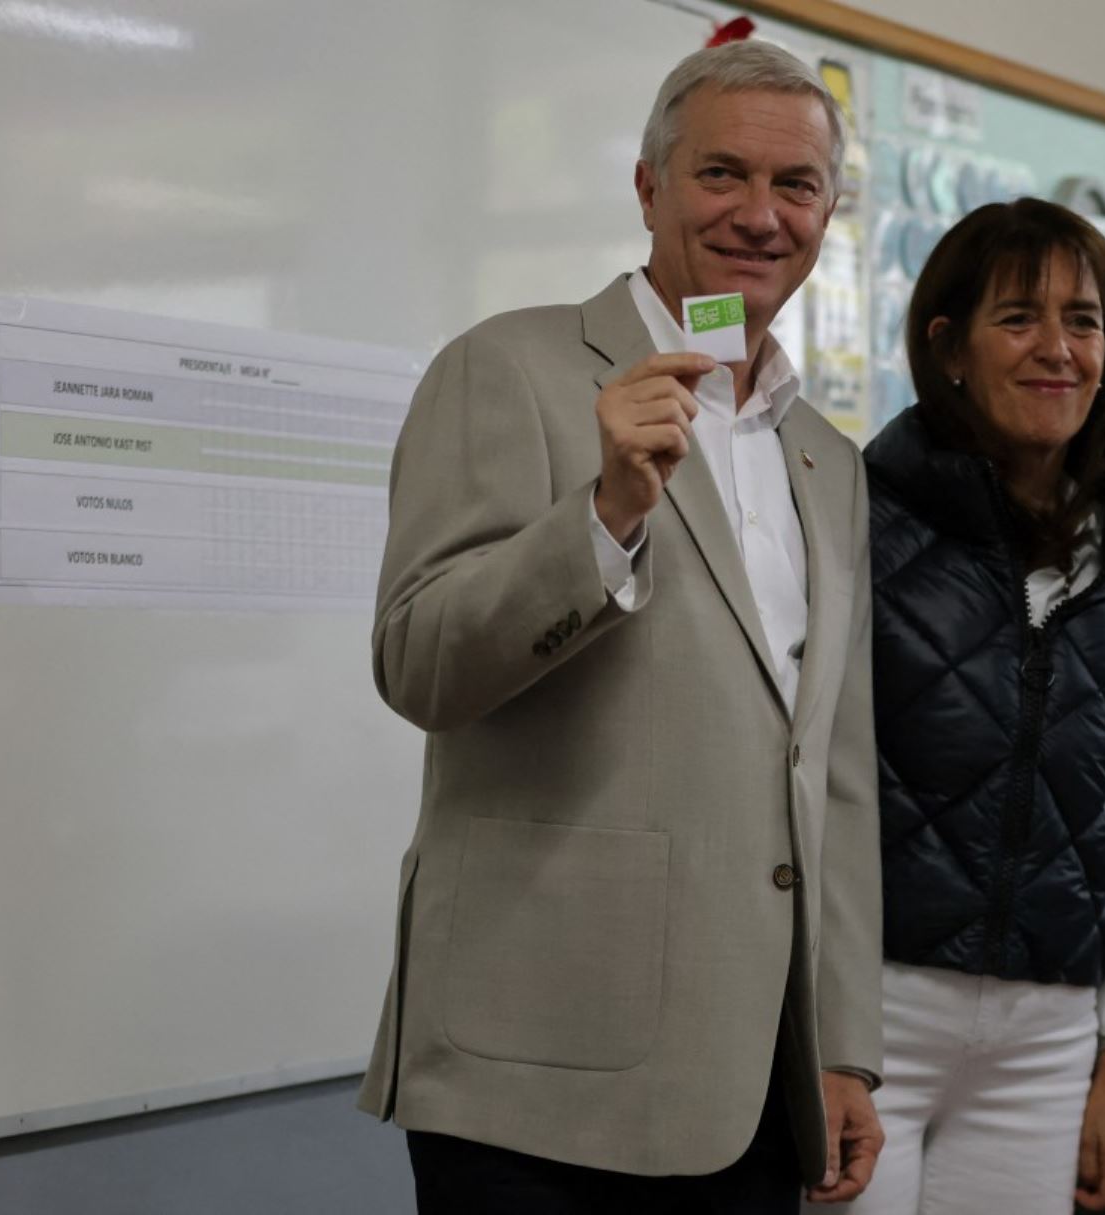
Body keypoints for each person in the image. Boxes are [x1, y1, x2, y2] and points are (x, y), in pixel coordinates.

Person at [357, 40, 884, 1213]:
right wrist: (602, 519)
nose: (759, 215)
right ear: (647, 188)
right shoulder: (508, 368)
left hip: (751, 1086)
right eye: (720, 175)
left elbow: (833, 770)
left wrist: (841, 1045)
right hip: (533, 1074)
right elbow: (418, 661)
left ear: (828, 213)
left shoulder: (828, 460)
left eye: (795, 187)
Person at [841, 198, 1105, 1215]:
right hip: (866, 1021)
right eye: (1018, 318)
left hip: (1050, 1044)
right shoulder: (853, 523)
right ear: (949, 348)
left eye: (1083, 321)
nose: (1057, 349)